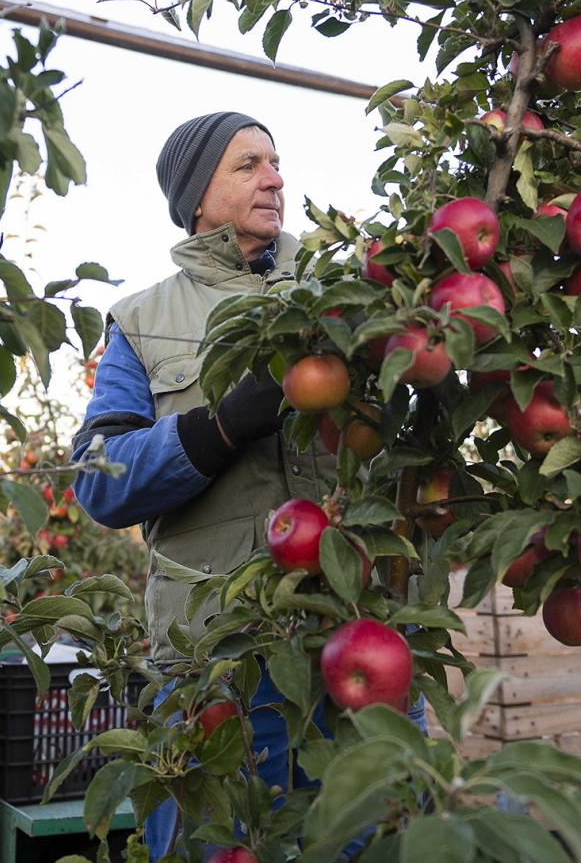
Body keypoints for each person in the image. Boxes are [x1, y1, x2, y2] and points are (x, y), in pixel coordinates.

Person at [70, 112, 425, 854]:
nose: (276, 178)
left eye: (276, 162)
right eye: (249, 164)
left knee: (381, 842)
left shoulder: (345, 291)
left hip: (359, 637)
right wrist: (218, 428)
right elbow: (99, 486)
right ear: (198, 194)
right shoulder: (141, 321)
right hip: (220, 665)